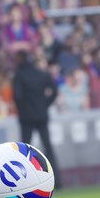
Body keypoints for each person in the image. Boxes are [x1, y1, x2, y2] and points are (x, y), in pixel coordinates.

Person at [11, 50, 61, 181]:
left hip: (26, 117)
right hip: (41, 114)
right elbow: (54, 91)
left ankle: (23, 180)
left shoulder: (19, 75)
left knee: (24, 150)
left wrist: (23, 110)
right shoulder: (42, 74)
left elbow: (17, 96)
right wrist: (44, 105)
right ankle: (56, 179)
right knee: (48, 147)